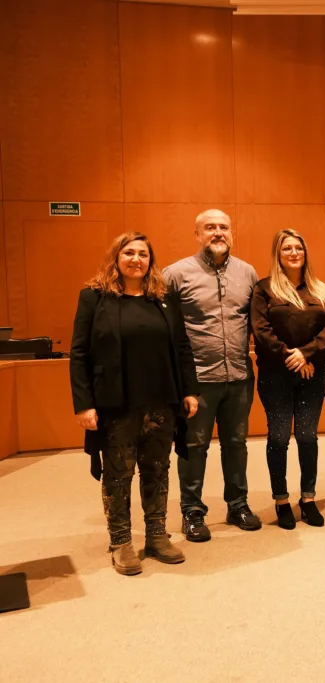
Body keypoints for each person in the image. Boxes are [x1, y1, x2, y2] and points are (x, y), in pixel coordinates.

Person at [70, 232, 199, 575]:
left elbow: (182, 347)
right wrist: (83, 404)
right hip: (116, 402)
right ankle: (121, 541)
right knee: (118, 472)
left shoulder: (164, 298)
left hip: (161, 400)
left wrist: (190, 390)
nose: (136, 259)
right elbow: (79, 352)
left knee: (157, 468)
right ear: (116, 257)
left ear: (150, 260)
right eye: (128, 252)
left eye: (143, 253)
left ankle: (156, 535)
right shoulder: (94, 297)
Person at [165, 209, 262, 542]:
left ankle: (238, 505)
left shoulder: (248, 273)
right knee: (194, 446)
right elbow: (165, 330)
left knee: (236, 444)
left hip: (239, 376)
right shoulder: (175, 274)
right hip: (197, 381)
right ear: (197, 234)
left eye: (224, 227)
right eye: (210, 227)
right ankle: (192, 511)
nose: (218, 232)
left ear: (231, 233)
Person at [252, 229, 325, 529]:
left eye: (298, 248)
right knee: (278, 437)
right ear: (278, 254)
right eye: (287, 248)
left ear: (305, 252)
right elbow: (261, 330)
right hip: (275, 374)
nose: (293, 253)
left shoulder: (320, 290)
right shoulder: (264, 289)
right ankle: (281, 500)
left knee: (307, 437)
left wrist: (306, 354)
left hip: (311, 373)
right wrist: (293, 357)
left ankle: (308, 499)